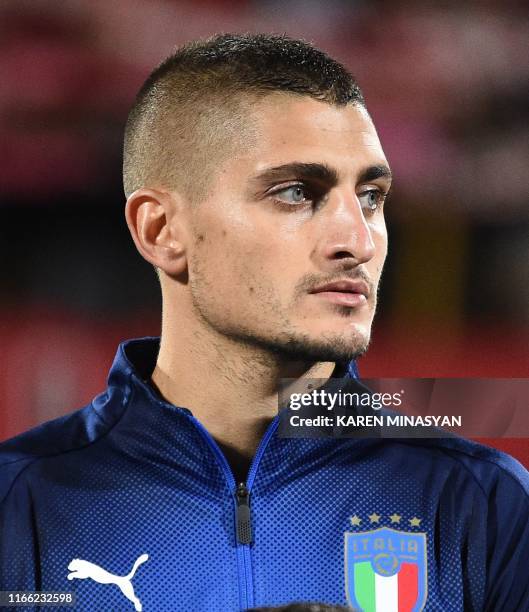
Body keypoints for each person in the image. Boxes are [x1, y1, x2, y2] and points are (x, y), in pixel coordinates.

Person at [1, 33, 528, 612]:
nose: (357, 241)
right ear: (160, 231)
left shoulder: (483, 503)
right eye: (297, 192)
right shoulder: (19, 504)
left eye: (372, 197)